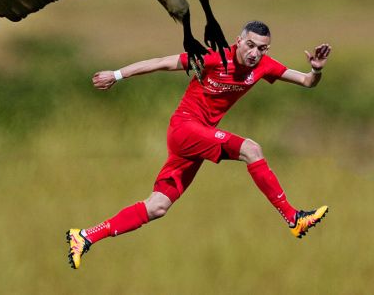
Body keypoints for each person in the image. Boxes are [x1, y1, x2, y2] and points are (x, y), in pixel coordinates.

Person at [66, 20, 332, 270]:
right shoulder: (215, 58)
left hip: (198, 138)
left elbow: (307, 82)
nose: (254, 53)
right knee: (251, 149)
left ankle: (86, 236)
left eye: (261, 48)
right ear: (238, 41)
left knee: (158, 206)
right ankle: (293, 218)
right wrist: (116, 74)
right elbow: (162, 63)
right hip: (185, 128)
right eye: (250, 45)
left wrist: (316, 69)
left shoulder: (263, 66)